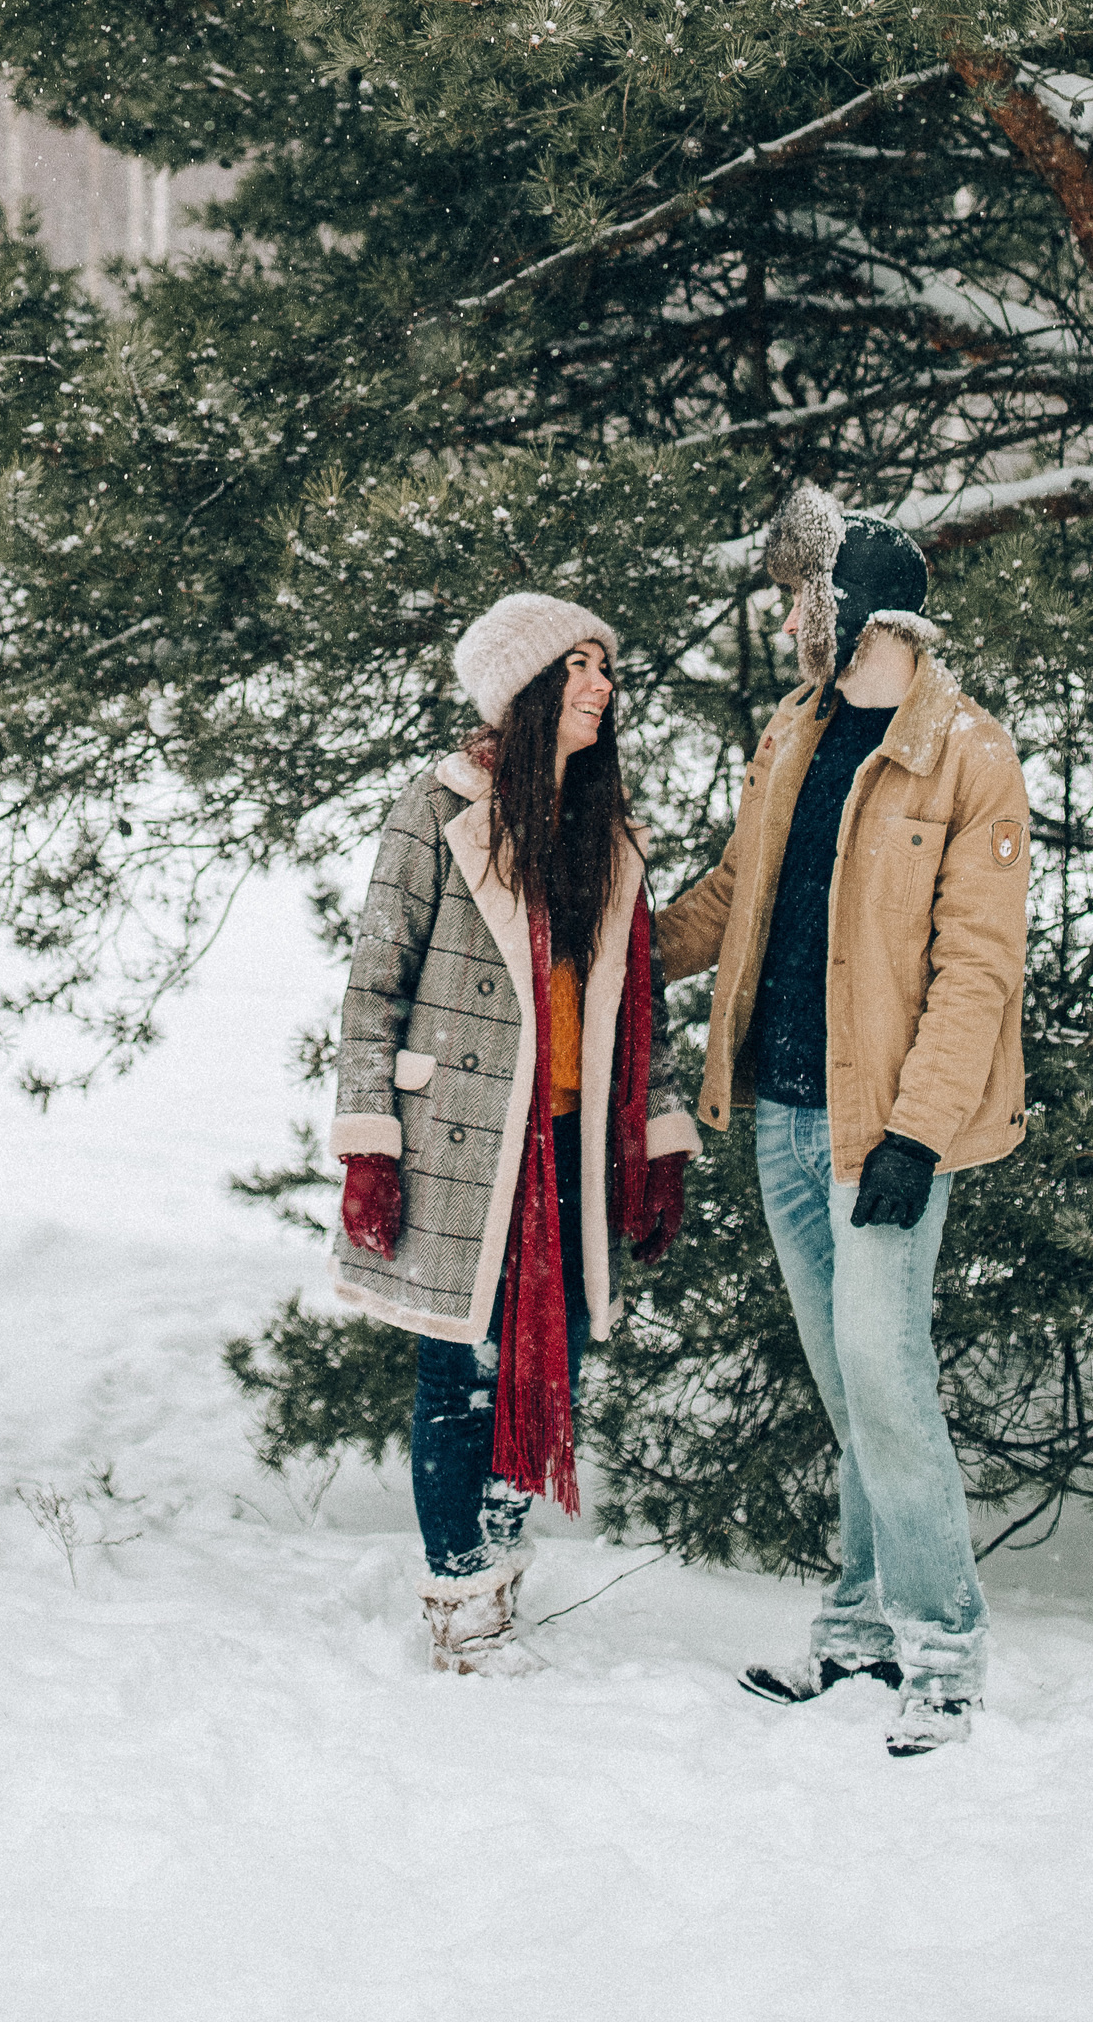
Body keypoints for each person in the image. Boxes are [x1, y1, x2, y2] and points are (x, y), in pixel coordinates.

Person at [656, 483, 1031, 1756]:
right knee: (845, 1380)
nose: (792, 623)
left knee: (885, 1370)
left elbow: (978, 969)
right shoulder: (794, 730)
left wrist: (916, 1138)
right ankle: (862, 1628)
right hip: (781, 1109)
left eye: (805, 601)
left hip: (886, 1128)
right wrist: (616, 950)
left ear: (855, 607)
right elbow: (732, 891)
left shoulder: (965, 753)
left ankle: (944, 1648)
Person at [328, 591, 700, 1674]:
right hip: (462, 1140)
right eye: (578, 666)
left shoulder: (606, 829)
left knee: (550, 1363)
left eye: (605, 667)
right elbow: (372, 983)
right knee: (463, 1372)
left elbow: (641, 1007)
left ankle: (494, 1566)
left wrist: (658, 1144)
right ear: (526, 691)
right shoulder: (437, 808)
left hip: (575, 1148)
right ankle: (463, 1604)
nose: (601, 686)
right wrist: (368, 1142)